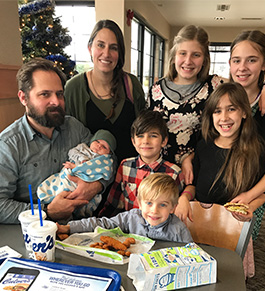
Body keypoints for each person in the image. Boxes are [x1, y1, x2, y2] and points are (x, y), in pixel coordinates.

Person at [148, 25, 265, 185]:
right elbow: (147, 128)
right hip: (161, 170)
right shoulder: (156, 89)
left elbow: (240, 86)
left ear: (204, 59)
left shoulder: (215, 85)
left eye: (196, 55)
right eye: (182, 53)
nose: (188, 61)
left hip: (203, 171)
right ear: (174, 55)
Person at [0, 58, 107, 224]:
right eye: (45, 94)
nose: (56, 102)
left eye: (59, 94)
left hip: (83, 228)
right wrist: (47, 212)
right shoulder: (8, 145)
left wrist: (98, 185)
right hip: (35, 235)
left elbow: (106, 158)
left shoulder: (74, 127)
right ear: (23, 98)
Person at [175, 82, 265, 223]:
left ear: (243, 112)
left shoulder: (256, 149)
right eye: (217, 111)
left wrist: (250, 207)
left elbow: (262, 193)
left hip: (233, 228)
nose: (224, 118)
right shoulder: (203, 146)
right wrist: (184, 197)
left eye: (231, 109)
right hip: (199, 224)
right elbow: (193, 186)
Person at [65, 19, 146, 163]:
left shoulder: (132, 85)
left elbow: (144, 131)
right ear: (90, 48)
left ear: (120, 53)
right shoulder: (74, 88)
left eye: (113, 48)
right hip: (92, 177)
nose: (106, 53)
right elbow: (68, 138)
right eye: (100, 45)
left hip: (131, 176)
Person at [229, 30, 265, 240]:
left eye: (251, 60)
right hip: (216, 191)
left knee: (242, 247)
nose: (242, 67)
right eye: (236, 60)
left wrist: (249, 197)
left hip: (253, 194)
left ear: (264, 63)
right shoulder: (221, 99)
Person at [57, 173, 192, 243]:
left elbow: (193, 256)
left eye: (163, 205)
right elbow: (103, 224)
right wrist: (69, 228)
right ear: (140, 203)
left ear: (173, 208)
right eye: (149, 203)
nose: (154, 210)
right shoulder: (131, 217)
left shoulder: (179, 229)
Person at [98, 110, 182, 217]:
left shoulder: (174, 172)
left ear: (164, 141)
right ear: (133, 141)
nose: (146, 141)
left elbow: (176, 212)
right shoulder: (125, 166)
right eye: (140, 136)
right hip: (129, 230)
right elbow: (113, 205)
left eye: (153, 136)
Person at [37, 129, 116, 218]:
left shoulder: (104, 161)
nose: (99, 146)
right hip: (67, 176)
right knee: (60, 188)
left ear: (109, 153)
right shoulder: (82, 148)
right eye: (97, 141)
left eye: (104, 147)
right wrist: (82, 159)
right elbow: (71, 152)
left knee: (76, 201)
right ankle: (54, 201)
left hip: (85, 181)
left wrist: (76, 168)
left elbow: (103, 172)